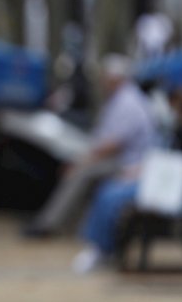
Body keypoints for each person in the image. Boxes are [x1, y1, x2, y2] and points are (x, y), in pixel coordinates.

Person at [25, 54, 158, 236]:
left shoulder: (129, 102)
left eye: (105, 78)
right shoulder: (120, 98)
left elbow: (113, 145)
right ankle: (61, 222)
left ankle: (48, 224)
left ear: (114, 79)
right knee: (77, 167)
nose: (102, 83)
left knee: (80, 173)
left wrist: (83, 161)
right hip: (117, 158)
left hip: (129, 164)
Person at [73, 86, 182, 273]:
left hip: (167, 189)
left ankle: (102, 248)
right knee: (108, 190)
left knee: (110, 196)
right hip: (156, 180)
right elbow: (160, 159)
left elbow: (173, 168)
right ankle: (100, 246)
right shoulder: (175, 130)